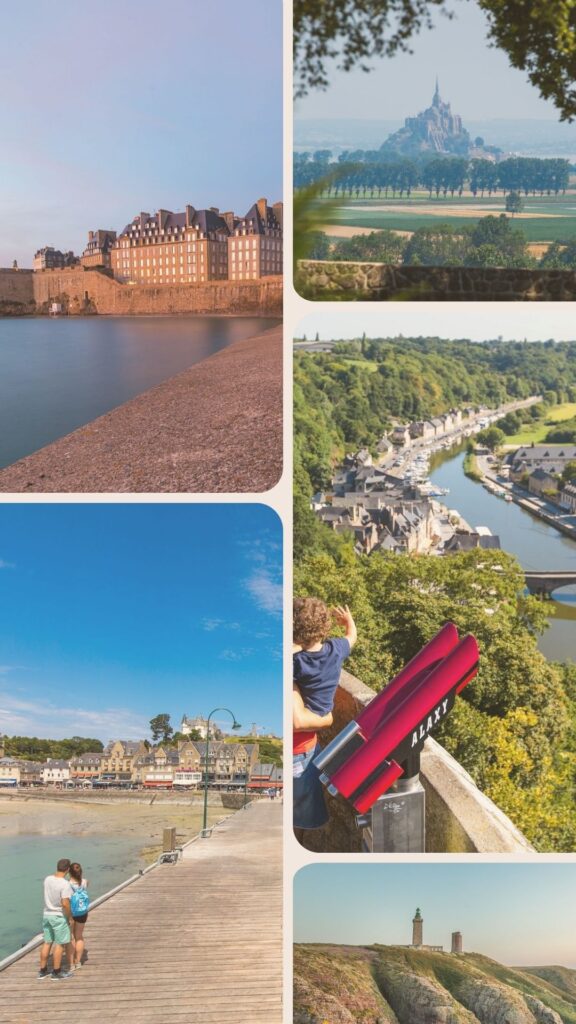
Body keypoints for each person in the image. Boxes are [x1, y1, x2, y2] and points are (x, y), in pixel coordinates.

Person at [293, 598, 357, 839]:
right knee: (302, 812)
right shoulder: (335, 650)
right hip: (309, 744)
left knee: (294, 810)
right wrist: (349, 622)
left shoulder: (295, 663)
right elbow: (352, 637)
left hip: (299, 746)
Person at [38, 858, 74, 980]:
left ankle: (42, 971)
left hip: (47, 914)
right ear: (68, 870)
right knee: (60, 944)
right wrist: (69, 916)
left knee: (47, 942)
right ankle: (56, 972)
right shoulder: (65, 884)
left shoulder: (47, 879)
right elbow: (65, 903)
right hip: (58, 916)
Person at [68, 861, 89, 969]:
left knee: (71, 937)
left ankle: (71, 964)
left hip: (71, 913)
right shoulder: (85, 882)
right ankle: (78, 961)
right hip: (83, 912)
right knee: (79, 936)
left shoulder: (67, 884)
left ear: (69, 873)